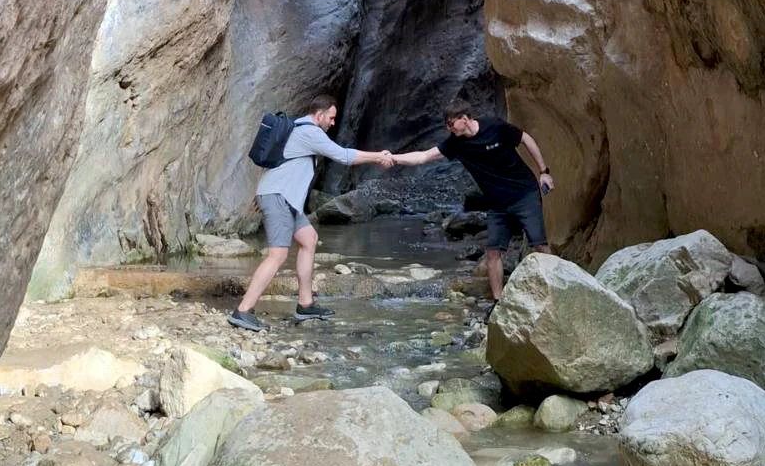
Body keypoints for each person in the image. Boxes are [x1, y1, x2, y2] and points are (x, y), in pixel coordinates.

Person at [229, 92, 395, 331]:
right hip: (280, 198)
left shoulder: (297, 127)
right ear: (319, 115)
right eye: (331, 117)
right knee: (277, 255)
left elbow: (277, 164)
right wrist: (378, 156)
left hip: (284, 198)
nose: (333, 122)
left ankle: (305, 304)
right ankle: (243, 310)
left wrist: (263, 191)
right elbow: (343, 156)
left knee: (309, 238)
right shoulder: (310, 132)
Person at [393, 99, 554, 301]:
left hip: (524, 193)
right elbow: (424, 157)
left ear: (465, 118)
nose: (449, 128)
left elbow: (526, 139)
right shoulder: (456, 144)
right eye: (447, 125)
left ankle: (556, 290)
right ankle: (498, 301)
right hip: (497, 202)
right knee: (493, 252)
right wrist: (394, 158)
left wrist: (543, 171)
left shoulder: (494, 126)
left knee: (539, 243)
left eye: (451, 123)